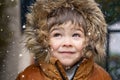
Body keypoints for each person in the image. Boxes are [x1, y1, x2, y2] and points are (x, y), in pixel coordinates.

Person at [16, 0, 112, 80]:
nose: (67, 43)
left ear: (89, 40)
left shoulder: (101, 77)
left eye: (76, 35)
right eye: (57, 35)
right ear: (43, 39)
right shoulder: (29, 76)